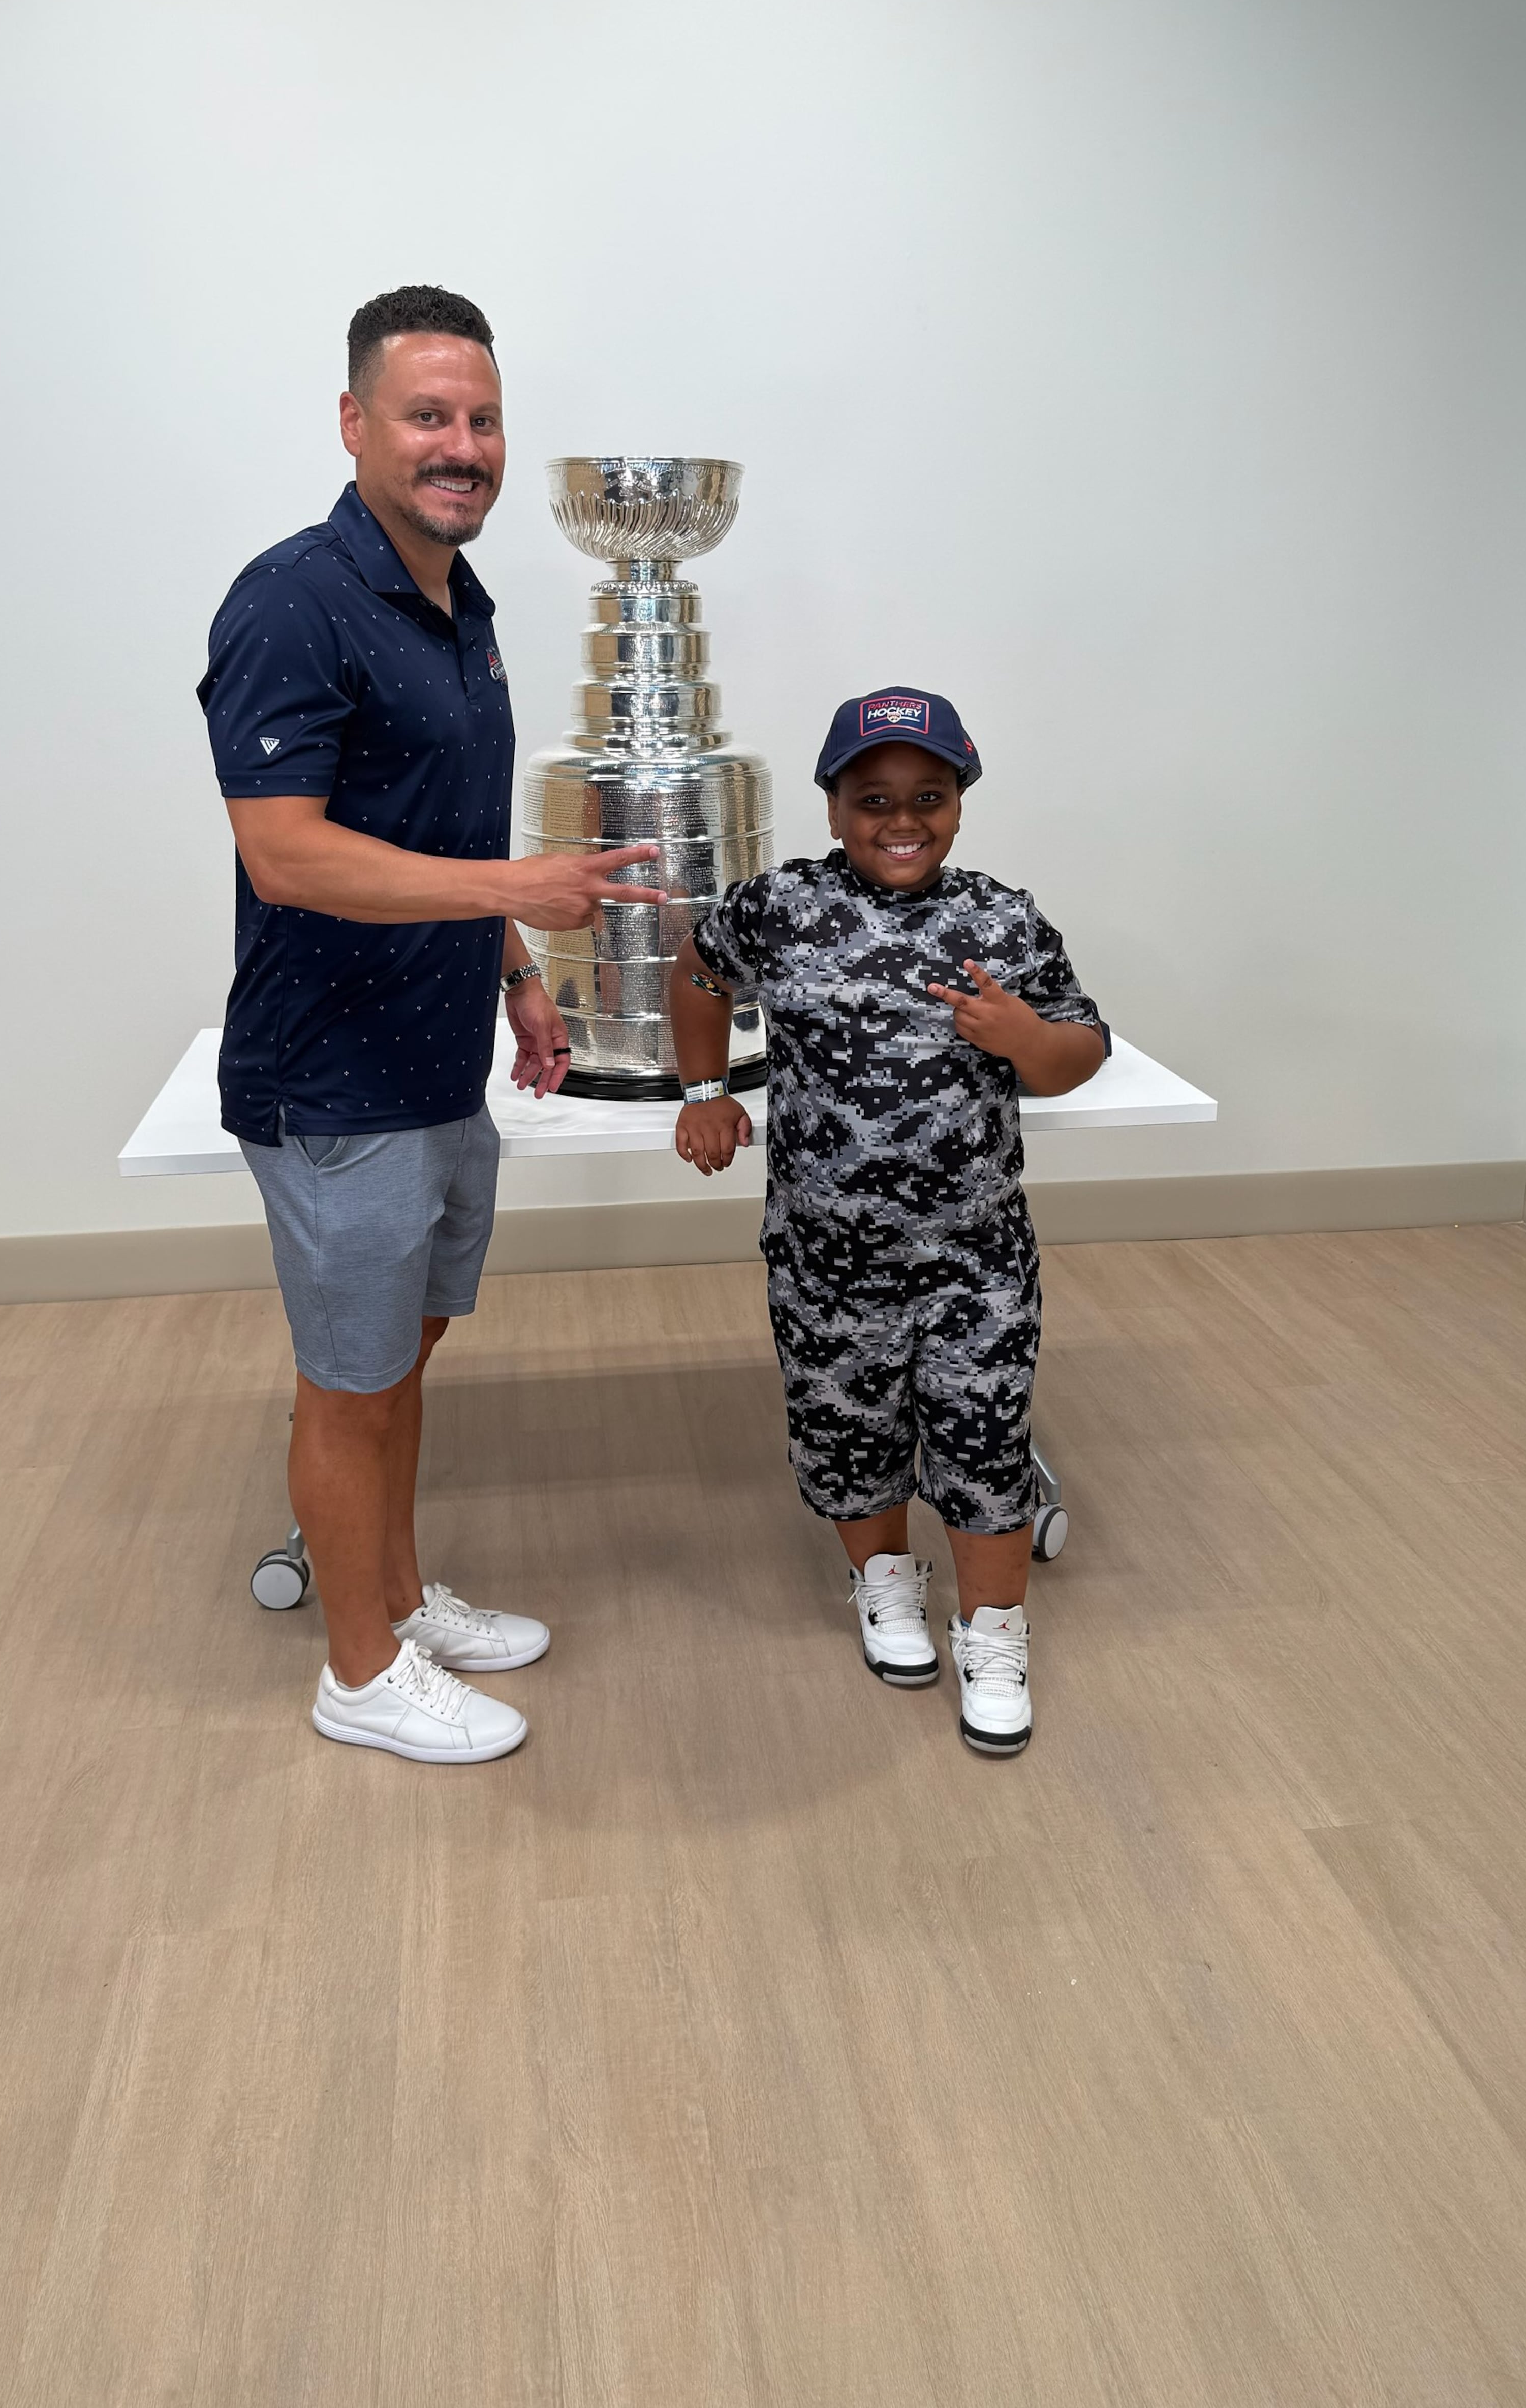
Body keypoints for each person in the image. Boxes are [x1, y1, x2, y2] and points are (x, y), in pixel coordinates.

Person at [198, 284, 663, 1763]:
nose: (462, 445)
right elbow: (287, 852)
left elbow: (435, 827)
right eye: (427, 416)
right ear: (355, 424)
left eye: (483, 420)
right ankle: (357, 1674)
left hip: (440, 1060)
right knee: (349, 1385)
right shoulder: (292, 600)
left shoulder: (466, 605)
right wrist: (518, 888)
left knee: (403, 1353)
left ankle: (397, 1600)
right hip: (332, 1082)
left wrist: (517, 969)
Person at [668, 693, 1108, 1756]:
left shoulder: (1002, 921)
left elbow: (1081, 1052)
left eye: (929, 797)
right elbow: (698, 971)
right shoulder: (780, 906)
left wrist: (1022, 1035)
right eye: (874, 801)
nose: (902, 820)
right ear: (833, 809)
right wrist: (705, 1090)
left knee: (984, 1437)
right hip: (827, 1259)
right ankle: (885, 1583)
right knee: (848, 1432)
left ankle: (994, 1632)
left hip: (975, 1259)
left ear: (958, 805)